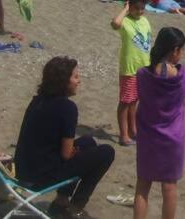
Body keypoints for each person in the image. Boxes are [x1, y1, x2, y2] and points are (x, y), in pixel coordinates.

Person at [15, 56, 116, 218]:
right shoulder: (67, 108)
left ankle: (61, 201)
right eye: (75, 77)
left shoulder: (38, 100)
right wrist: (72, 153)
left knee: (87, 141)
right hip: (40, 177)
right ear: (63, 82)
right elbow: (66, 154)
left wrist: (72, 152)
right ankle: (75, 207)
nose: (79, 81)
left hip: (24, 169)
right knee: (106, 152)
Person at [134, 27, 185, 219]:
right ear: (175, 50)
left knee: (143, 186)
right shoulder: (183, 76)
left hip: (149, 135)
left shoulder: (142, 74)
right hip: (173, 137)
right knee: (169, 187)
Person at [111, 0, 152, 146]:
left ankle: (133, 130)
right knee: (125, 101)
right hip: (129, 69)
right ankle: (123, 135)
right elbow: (115, 23)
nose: (140, 11)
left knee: (134, 101)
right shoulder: (125, 21)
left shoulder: (145, 21)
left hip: (143, 68)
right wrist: (125, 9)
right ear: (130, 7)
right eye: (136, 8)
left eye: (142, 8)